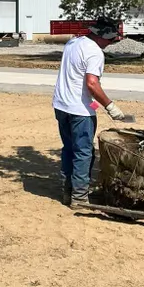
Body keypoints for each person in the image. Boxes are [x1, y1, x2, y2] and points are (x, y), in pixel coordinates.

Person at [53, 19, 126, 210]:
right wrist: (110, 106)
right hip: (79, 112)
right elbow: (92, 83)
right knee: (83, 152)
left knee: (68, 148)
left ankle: (67, 191)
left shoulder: (73, 43)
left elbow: (78, 81)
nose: (110, 44)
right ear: (102, 37)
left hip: (61, 105)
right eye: (109, 40)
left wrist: (94, 105)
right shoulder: (95, 52)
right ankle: (79, 198)